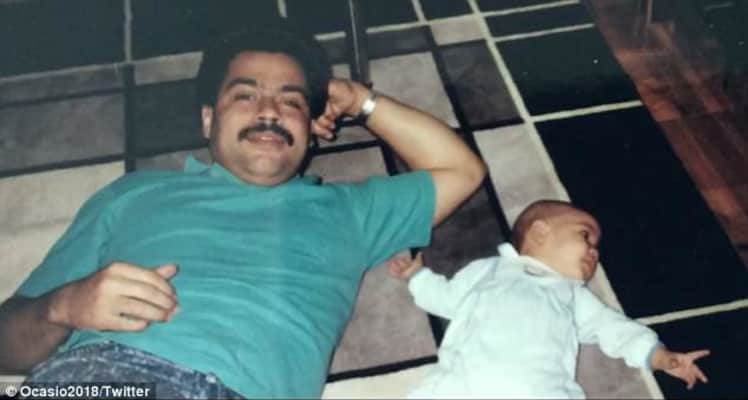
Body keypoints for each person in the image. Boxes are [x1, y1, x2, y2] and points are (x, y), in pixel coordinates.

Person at [0, 23, 486, 399]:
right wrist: (65, 305)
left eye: (291, 102)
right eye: (246, 95)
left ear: (311, 129)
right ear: (208, 119)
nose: (269, 111)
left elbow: (462, 170)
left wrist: (359, 100)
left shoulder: (349, 210)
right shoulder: (133, 193)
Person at [388, 199, 709, 398]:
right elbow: (446, 298)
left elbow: (612, 327)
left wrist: (657, 356)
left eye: (596, 247)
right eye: (585, 235)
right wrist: (419, 278)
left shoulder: (571, 294)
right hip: (463, 384)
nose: (594, 251)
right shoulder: (490, 269)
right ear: (540, 232)